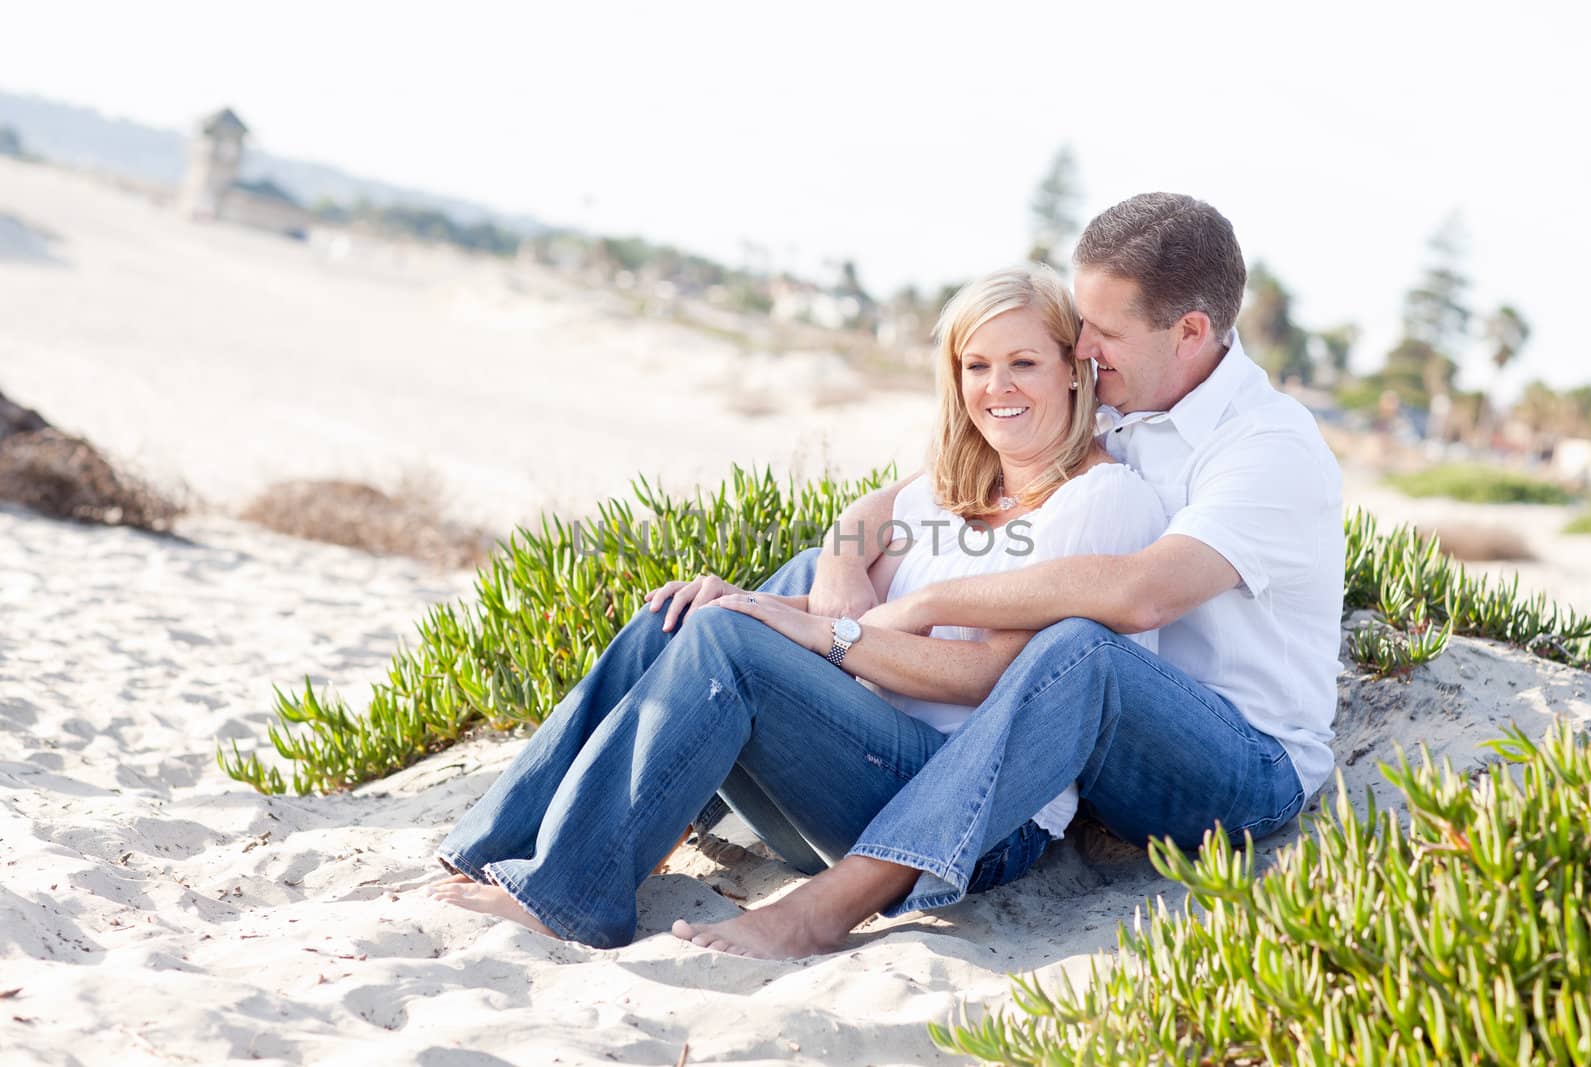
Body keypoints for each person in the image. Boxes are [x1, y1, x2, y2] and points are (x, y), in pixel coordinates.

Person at [671, 192, 1343, 959]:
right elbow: (905, 497)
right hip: (1095, 743)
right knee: (758, 595)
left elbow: (1140, 593)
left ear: (1189, 331)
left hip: (1238, 766)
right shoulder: (1119, 398)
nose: (1082, 345)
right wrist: (840, 558)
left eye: (1105, 329)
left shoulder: (1267, 445)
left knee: (1080, 648)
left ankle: (830, 906)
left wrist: (928, 603)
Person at [429, 265, 1167, 950]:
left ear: (1075, 370)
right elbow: (865, 516)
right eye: (976, 366)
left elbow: (992, 677)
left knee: (730, 639)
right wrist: (841, 566)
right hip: (852, 778)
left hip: (966, 816)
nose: (996, 386)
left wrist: (822, 633)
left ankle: (566, 895)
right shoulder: (972, 476)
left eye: (1023, 363)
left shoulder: (1099, 500)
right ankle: (492, 849)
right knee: (679, 615)